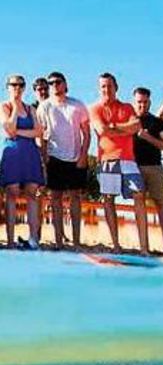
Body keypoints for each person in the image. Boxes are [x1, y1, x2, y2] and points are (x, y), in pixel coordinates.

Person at [89, 72, 147, 253]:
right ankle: (116, 245)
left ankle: (144, 247)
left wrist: (114, 127)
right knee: (108, 199)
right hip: (107, 160)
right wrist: (123, 129)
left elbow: (136, 126)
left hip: (128, 159)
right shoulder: (95, 109)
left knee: (138, 195)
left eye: (109, 86)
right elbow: (102, 130)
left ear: (116, 87)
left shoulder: (127, 107)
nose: (106, 89)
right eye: (103, 86)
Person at [37, 71, 90, 250]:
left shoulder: (77, 106)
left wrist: (83, 155)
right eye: (51, 83)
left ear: (65, 84)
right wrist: (44, 159)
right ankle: (59, 242)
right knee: (55, 199)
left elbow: (87, 133)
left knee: (75, 197)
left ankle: (76, 242)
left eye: (58, 82)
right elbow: (41, 136)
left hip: (75, 158)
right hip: (54, 158)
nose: (54, 85)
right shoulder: (44, 107)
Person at [0, 75, 45, 248]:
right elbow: (9, 129)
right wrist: (15, 106)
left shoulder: (30, 109)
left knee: (32, 194)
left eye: (20, 85)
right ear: (8, 87)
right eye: (13, 85)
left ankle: (33, 239)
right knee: (11, 193)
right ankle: (10, 241)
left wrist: (17, 131)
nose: (17, 88)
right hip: (12, 154)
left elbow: (38, 131)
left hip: (30, 154)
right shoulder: (4, 106)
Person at [131, 86, 163, 254]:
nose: (142, 105)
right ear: (135, 102)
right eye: (139, 102)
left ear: (150, 102)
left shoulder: (157, 122)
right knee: (138, 204)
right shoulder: (130, 121)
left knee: (161, 205)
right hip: (135, 167)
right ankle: (144, 248)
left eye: (145, 102)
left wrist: (148, 137)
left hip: (155, 167)